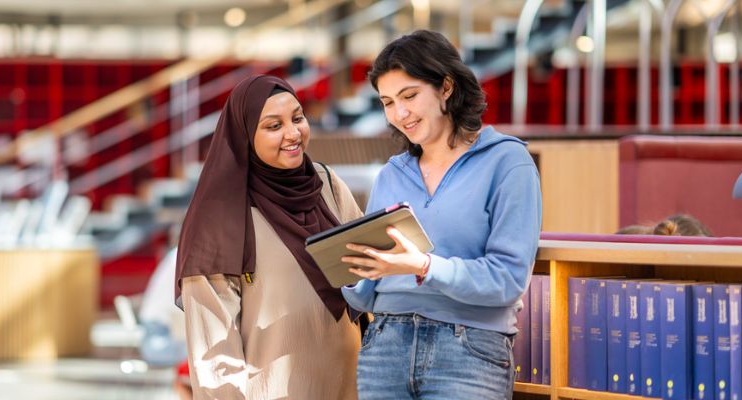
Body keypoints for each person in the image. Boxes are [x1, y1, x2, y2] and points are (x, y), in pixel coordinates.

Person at [339, 30, 542, 399]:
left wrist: (424, 267)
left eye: (409, 96)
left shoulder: (508, 162)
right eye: (387, 102)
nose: (399, 114)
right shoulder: (390, 174)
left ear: (446, 87)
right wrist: (353, 270)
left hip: (469, 349)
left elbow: (508, 278)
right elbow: (364, 296)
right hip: (384, 346)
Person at [175, 74, 363, 399]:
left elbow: (368, 274)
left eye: (298, 118)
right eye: (273, 126)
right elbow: (212, 350)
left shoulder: (326, 184)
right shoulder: (221, 215)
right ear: (246, 135)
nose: (292, 134)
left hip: (352, 387)